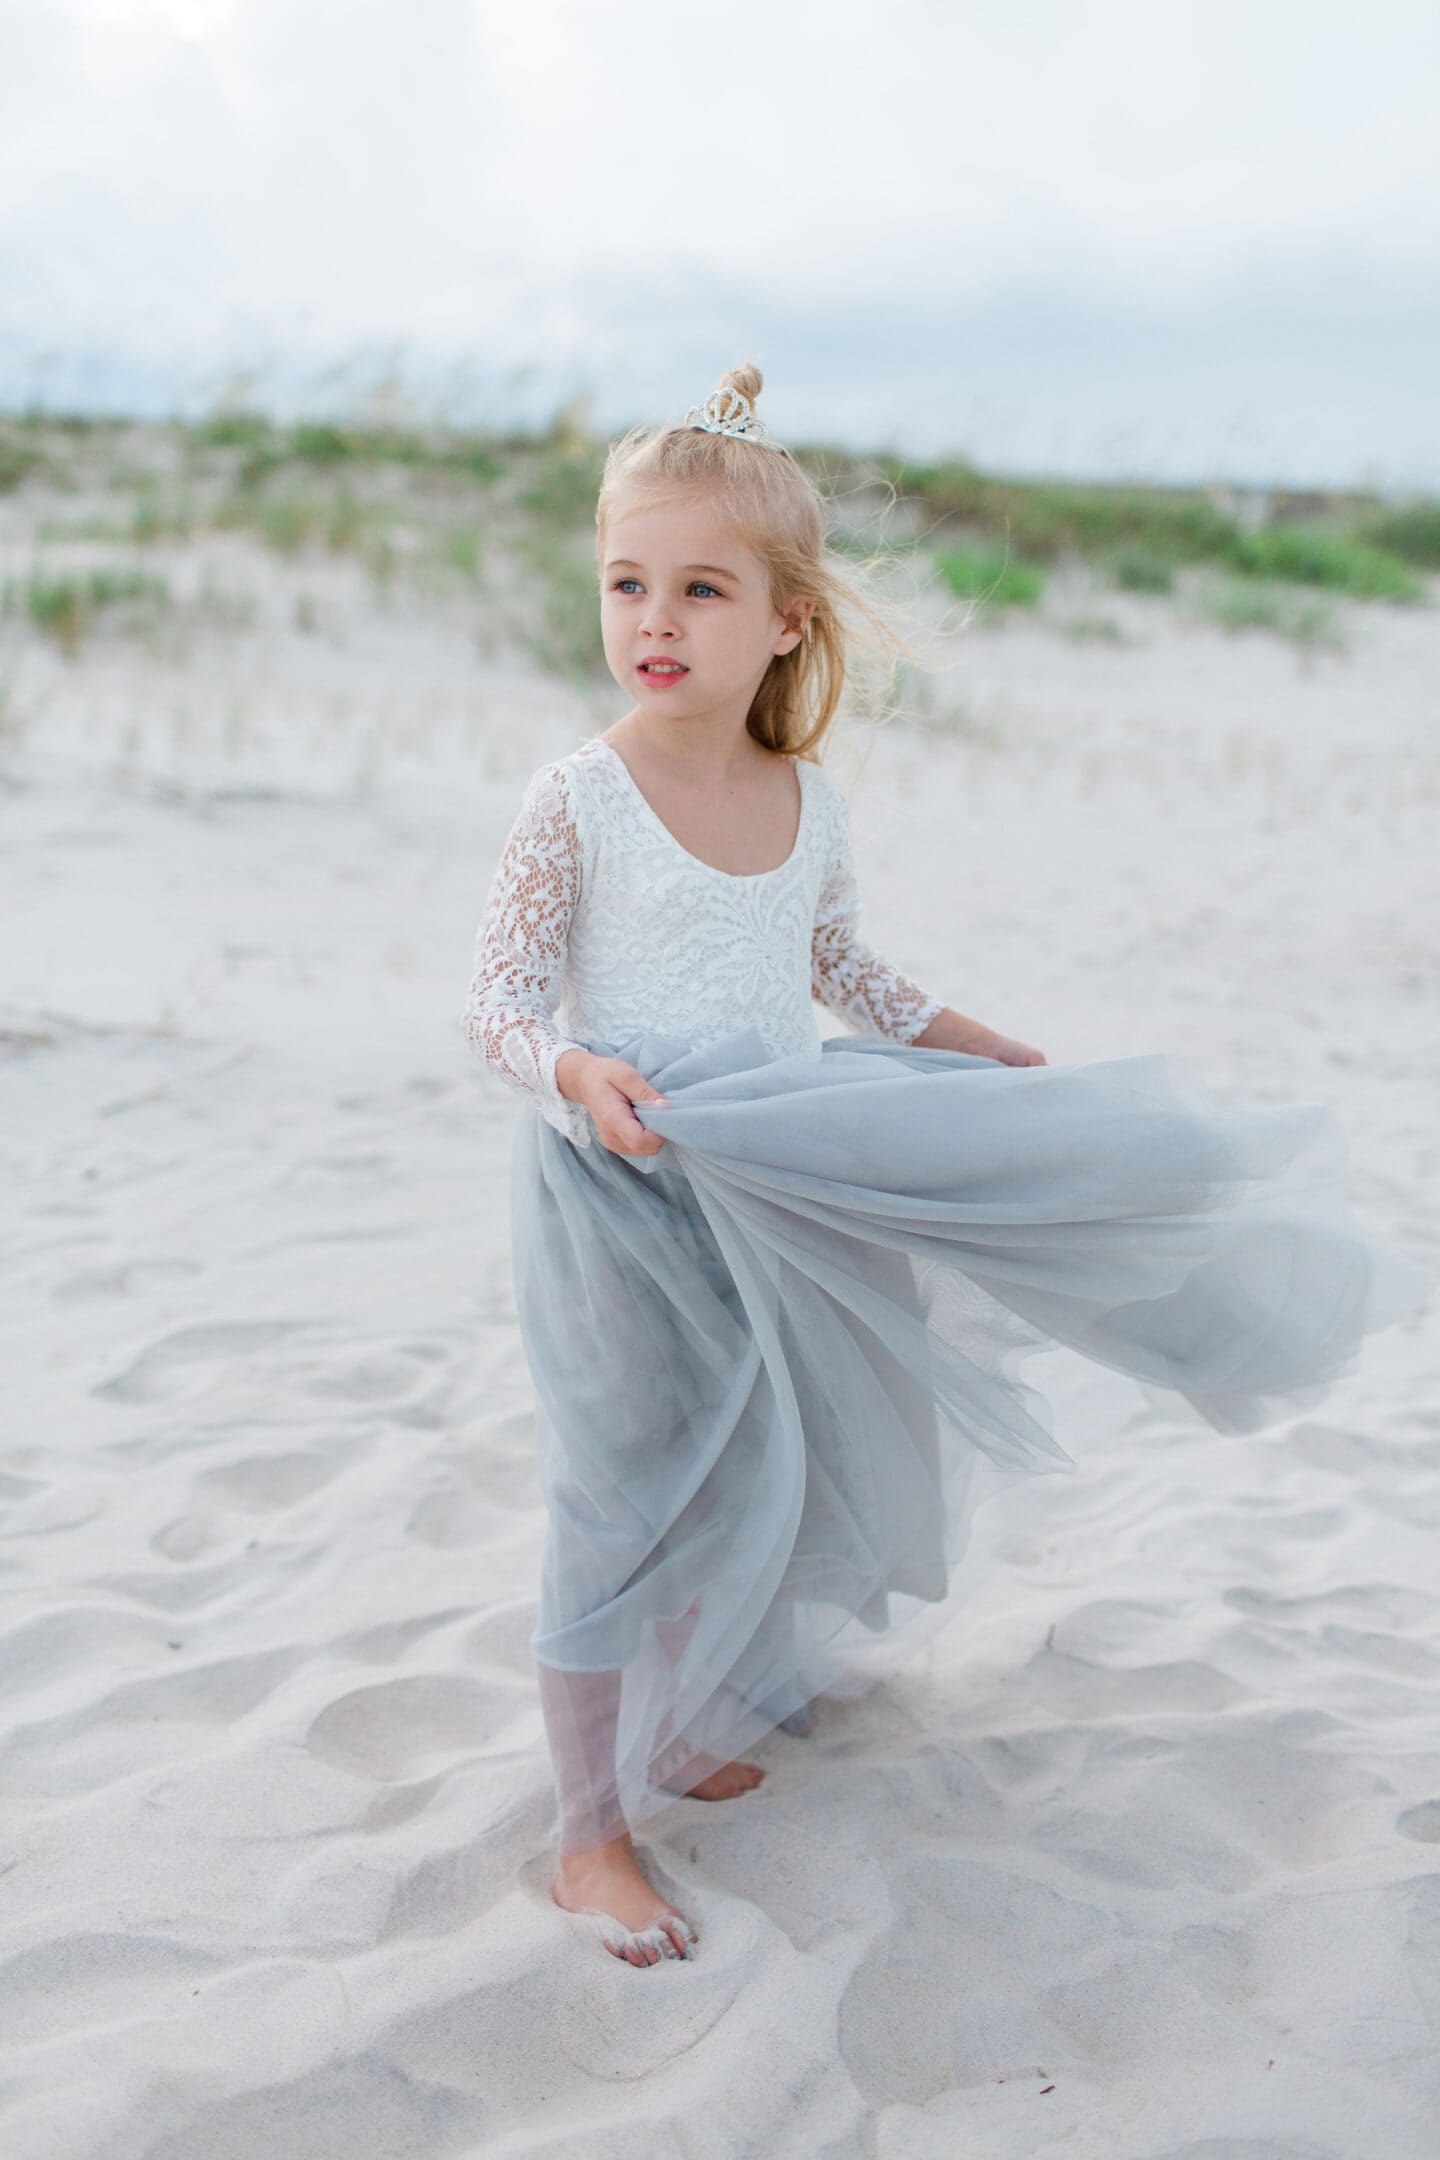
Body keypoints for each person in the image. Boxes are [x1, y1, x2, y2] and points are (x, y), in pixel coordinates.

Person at [463, 362, 1430, 1970]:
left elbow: (848, 970)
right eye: (630, 582)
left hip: (788, 1183)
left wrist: (975, 1045)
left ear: (783, 621)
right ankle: (586, 1833)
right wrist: (574, 1069)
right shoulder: (576, 799)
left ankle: (689, 1720)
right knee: (619, 1493)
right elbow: (491, 1005)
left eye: (702, 588)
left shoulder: (805, 800)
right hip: (623, 1192)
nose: (656, 617)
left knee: (753, 1460)